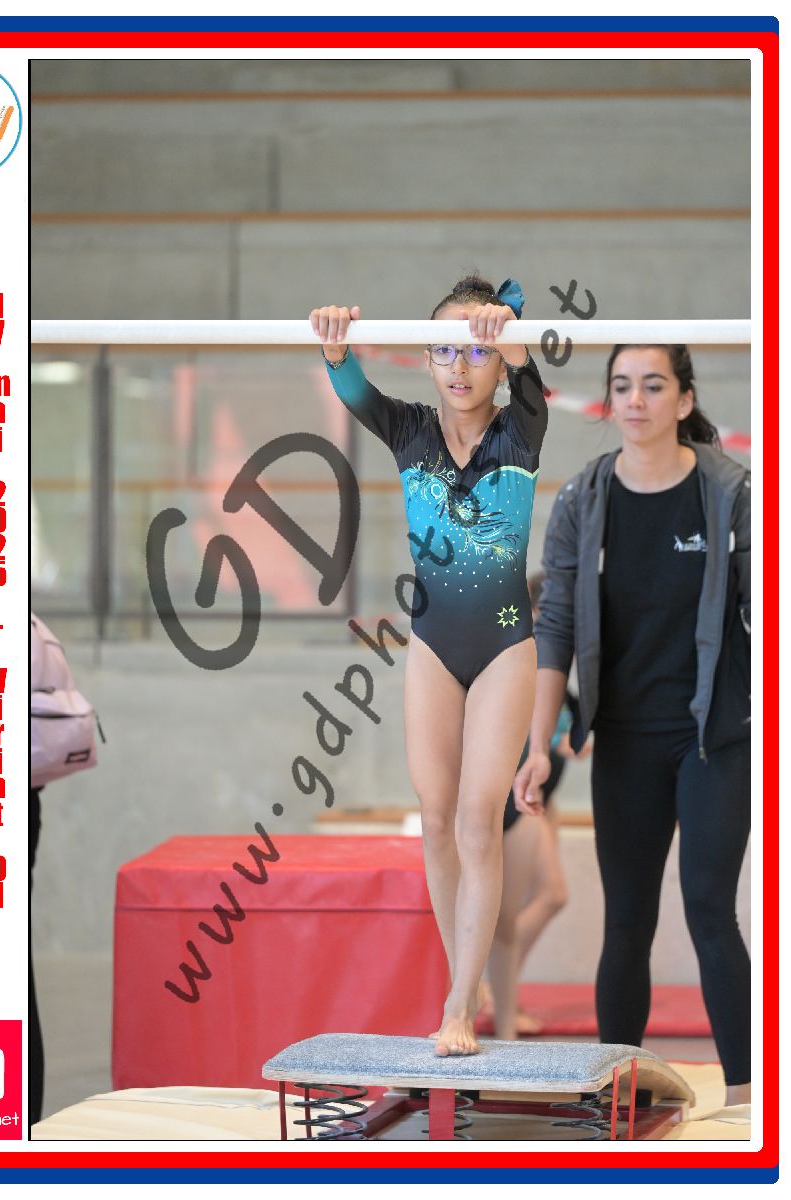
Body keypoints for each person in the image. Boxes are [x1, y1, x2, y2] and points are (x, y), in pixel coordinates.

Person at [311, 274, 548, 1055]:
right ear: (426, 358)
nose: (460, 366)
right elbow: (354, 390)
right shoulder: (409, 430)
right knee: (438, 816)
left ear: (498, 360)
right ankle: (465, 976)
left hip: (506, 647)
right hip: (433, 648)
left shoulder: (521, 430)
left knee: (479, 819)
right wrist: (336, 347)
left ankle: (458, 1006)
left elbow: (531, 381)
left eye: (476, 352)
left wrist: (510, 335)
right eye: (445, 350)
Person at [514, 344, 751, 1105]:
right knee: (627, 921)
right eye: (622, 387)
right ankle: (620, 1094)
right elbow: (553, 625)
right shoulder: (584, 499)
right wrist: (538, 747)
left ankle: (748, 1098)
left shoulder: (730, 493)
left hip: (712, 736)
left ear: (684, 401)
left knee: (709, 908)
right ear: (609, 402)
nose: (636, 401)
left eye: (653, 386)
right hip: (623, 738)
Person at [479, 572, 590, 1042]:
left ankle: (499, 989)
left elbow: (574, 735)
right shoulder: (517, 664)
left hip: (544, 795)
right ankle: (488, 987)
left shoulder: (557, 679)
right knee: (523, 907)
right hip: (521, 796)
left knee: (547, 896)